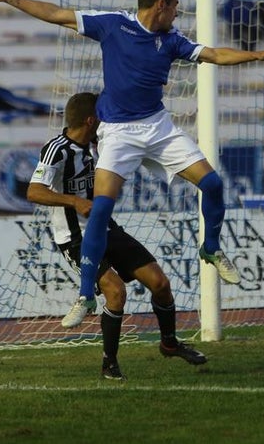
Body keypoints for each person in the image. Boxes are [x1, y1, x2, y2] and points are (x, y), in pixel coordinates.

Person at [0, 0, 264, 328]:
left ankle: (211, 248)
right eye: (174, 6)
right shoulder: (114, 25)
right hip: (118, 133)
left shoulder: (172, 41)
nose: (177, 13)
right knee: (100, 210)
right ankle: (85, 294)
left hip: (158, 128)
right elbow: (57, 14)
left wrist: (257, 54)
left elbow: (215, 54)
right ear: (161, 4)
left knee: (213, 184)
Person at [27, 92, 207, 380]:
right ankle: (109, 363)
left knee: (160, 283)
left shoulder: (102, 144)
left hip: (107, 228)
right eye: (103, 114)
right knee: (115, 292)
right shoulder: (57, 149)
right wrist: (75, 201)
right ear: (90, 120)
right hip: (75, 239)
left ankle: (170, 344)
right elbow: (33, 191)